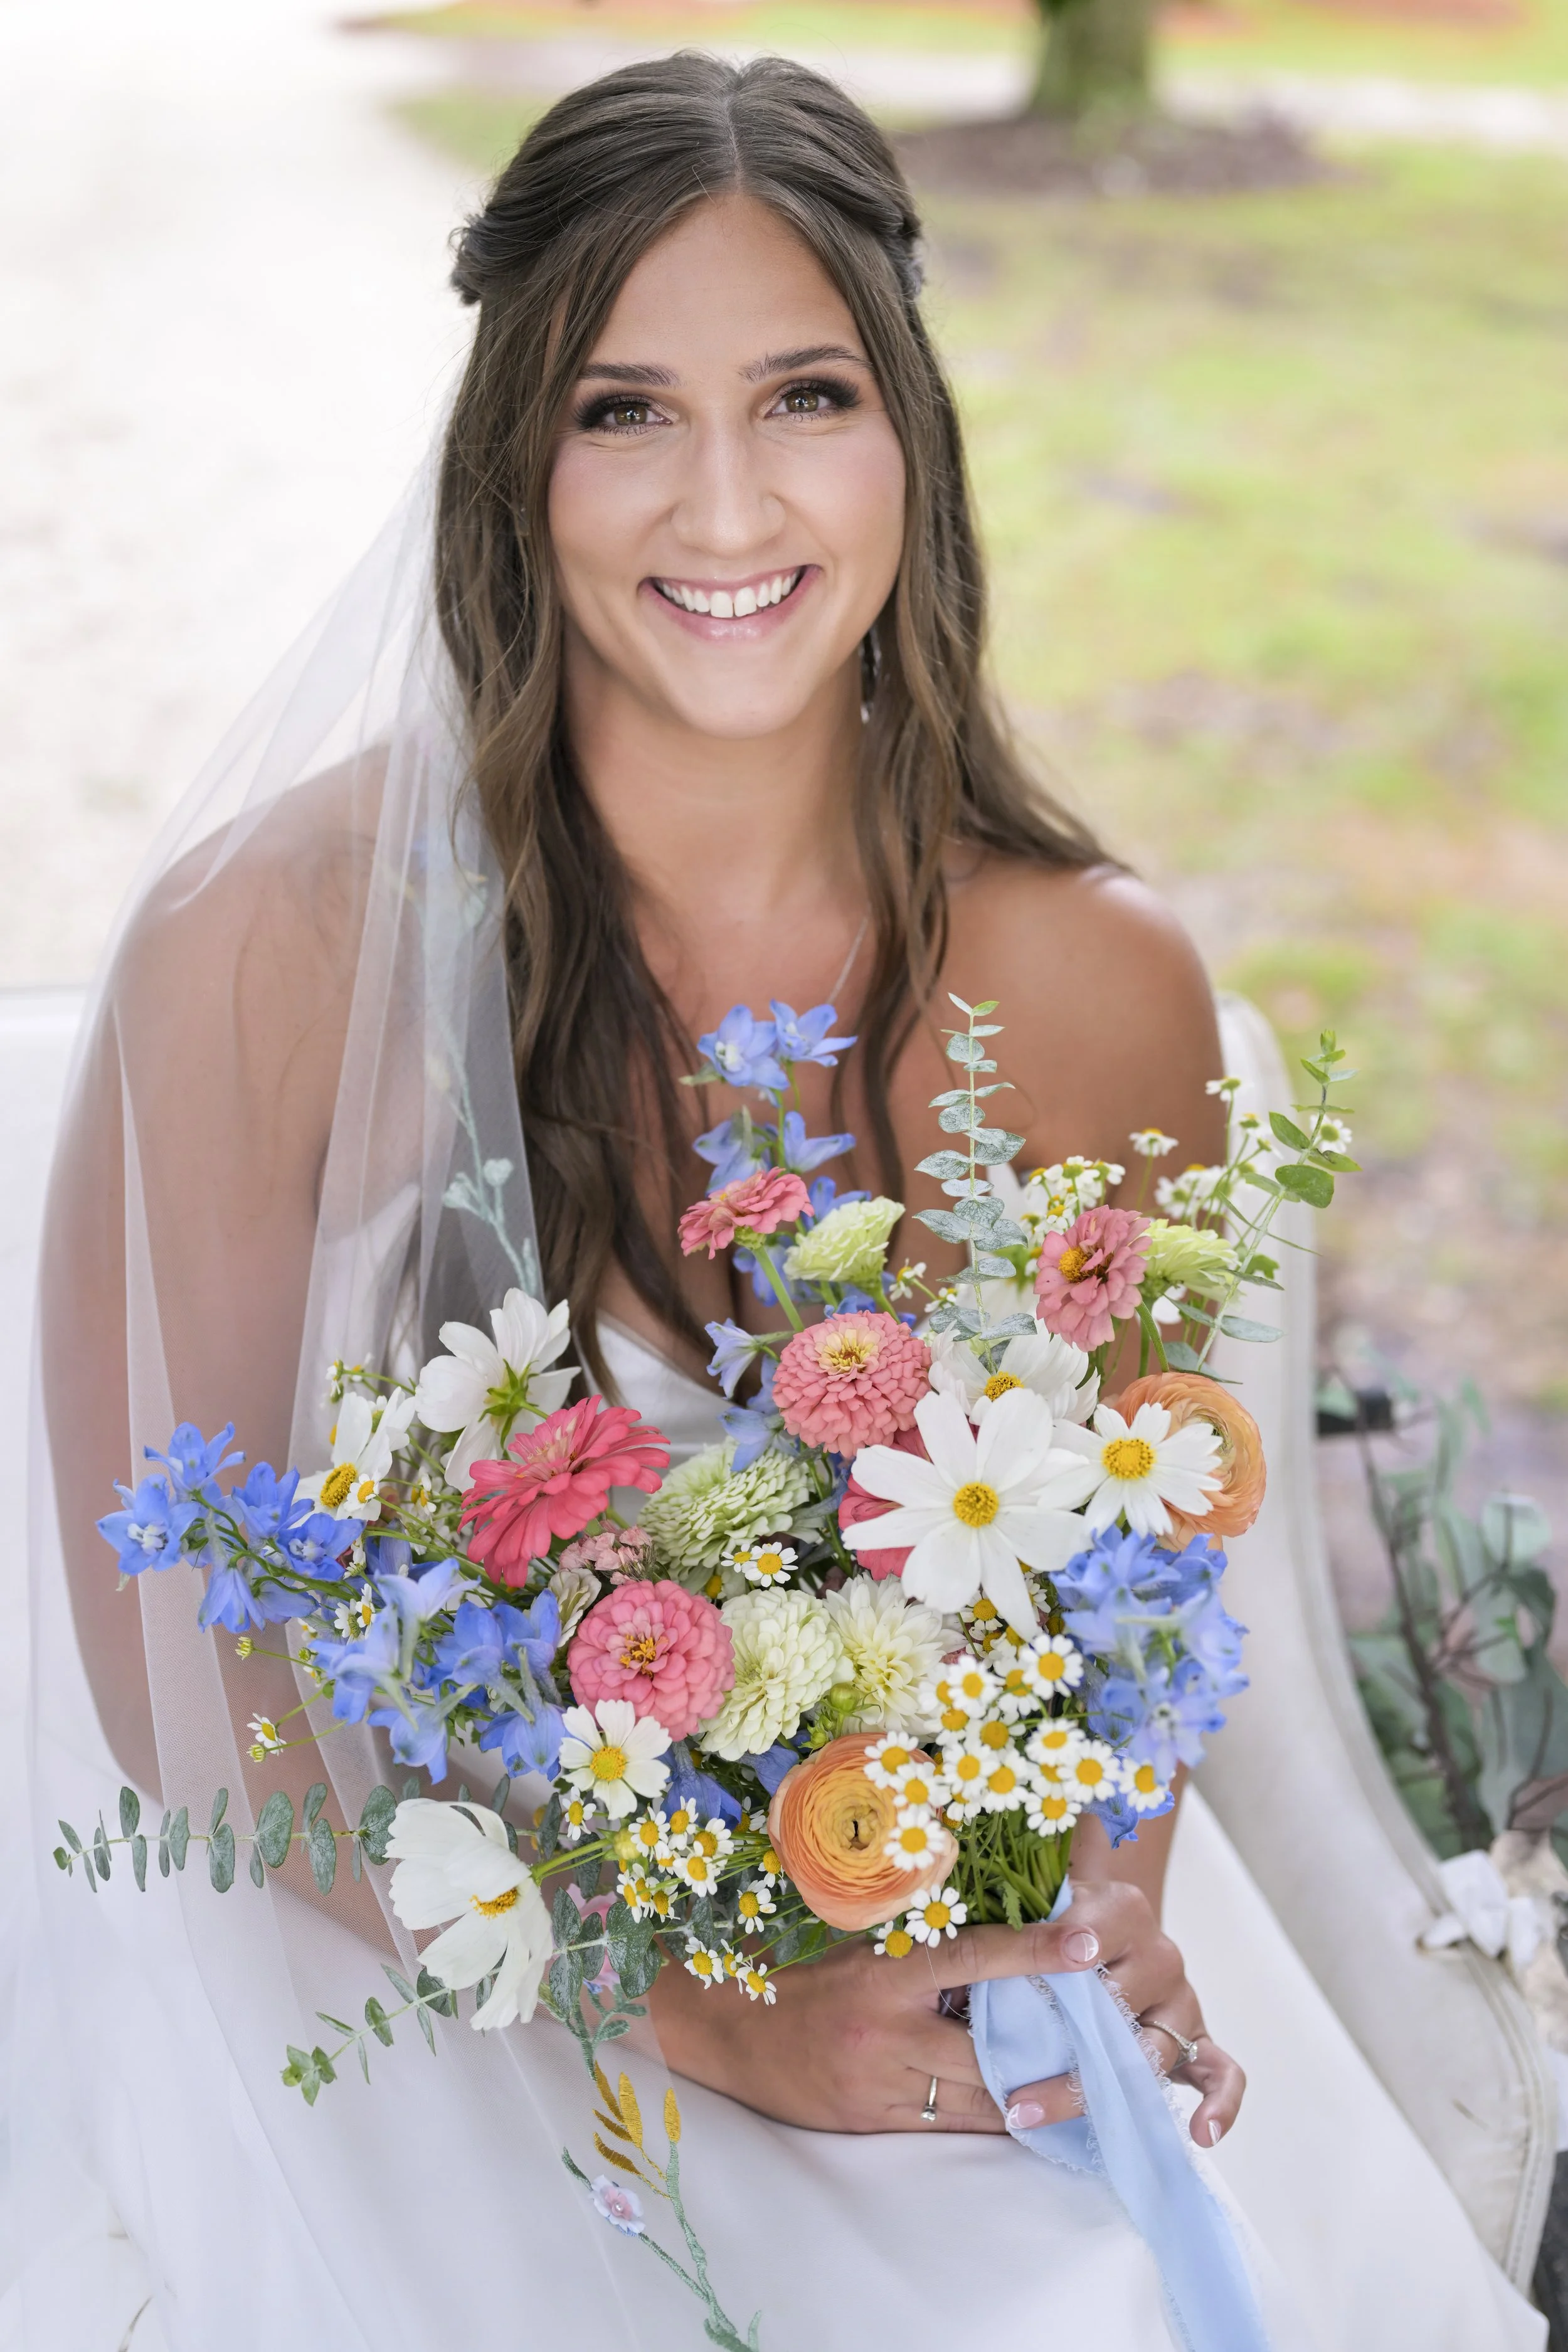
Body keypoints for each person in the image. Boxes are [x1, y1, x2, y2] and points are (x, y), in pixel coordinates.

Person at [18, 53, 1543, 2352]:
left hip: (918, 1902)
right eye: (622, 411)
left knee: (1084, 2279)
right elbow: (187, 1678)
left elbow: (1122, 1615)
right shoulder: (270, 948)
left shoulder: (1094, 982)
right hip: (431, 1920)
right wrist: (697, 2007)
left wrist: (1080, 1911)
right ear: (509, 466)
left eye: (801, 394)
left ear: (905, 435)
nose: (721, 504)